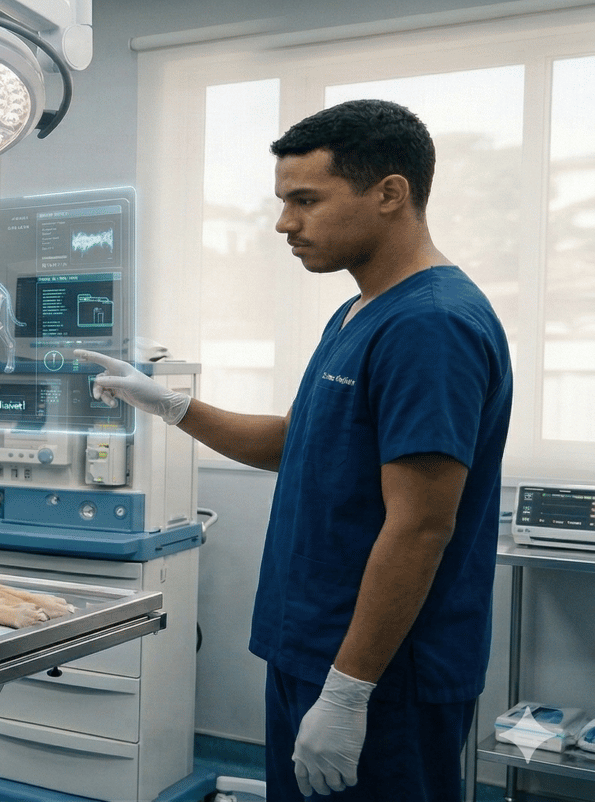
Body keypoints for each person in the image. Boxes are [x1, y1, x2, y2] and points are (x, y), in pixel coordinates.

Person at [78, 99, 511, 801]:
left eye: (306, 200)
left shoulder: (431, 326)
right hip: (312, 645)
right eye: (283, 202)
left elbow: (420, 525)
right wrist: (171, 404)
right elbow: (299, 442)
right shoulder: (360, 311)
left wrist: (348, 692)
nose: (285, 224)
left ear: (390, 194)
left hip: (382, 673)